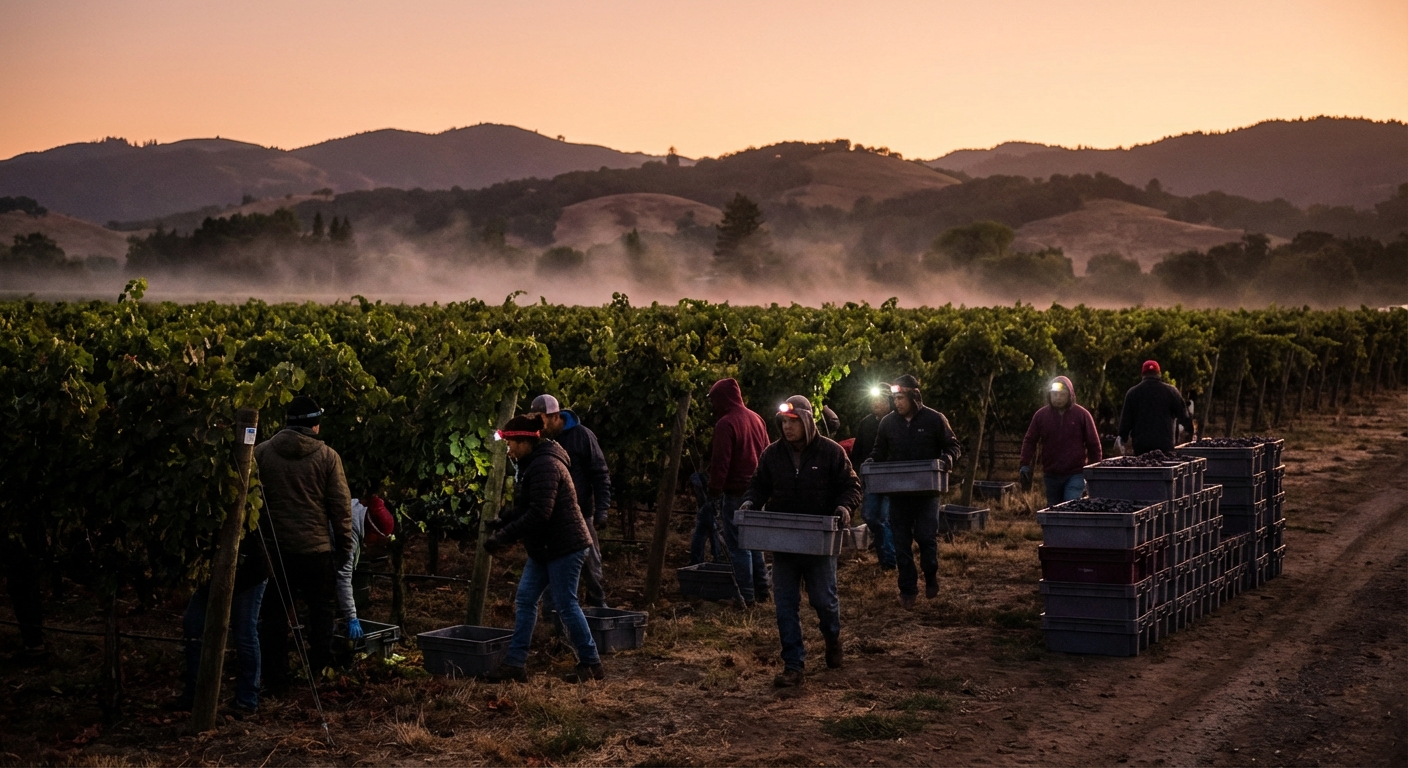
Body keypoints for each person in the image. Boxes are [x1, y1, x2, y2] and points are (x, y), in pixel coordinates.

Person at [740, 396, 862, 687]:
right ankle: (793, 665)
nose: (787, 427)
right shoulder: (772, 455)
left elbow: (851, 486)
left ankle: (832, 638)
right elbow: (758, 485)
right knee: (784, 604)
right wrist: (749, 502)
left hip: (819, 540)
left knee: (824, 601)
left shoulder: (831, 453)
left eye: (792, 422)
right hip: (784, 541)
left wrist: (844, 508)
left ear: (806, 421)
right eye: (783, 422)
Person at [484, 415, 603, 684]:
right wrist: (504, 520)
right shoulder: (531, 463)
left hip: (564, 545)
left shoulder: (546, 465)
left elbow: (540, 513)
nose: (509, 449)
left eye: (512, 443)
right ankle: (515, 664)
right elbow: (529, 505)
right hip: (545, 547)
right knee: (525, 599)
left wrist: (504, 536)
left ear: (526, 441)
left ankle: (591, 662)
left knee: (565, 604)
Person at [255, 395, 354, 696]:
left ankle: (276, 680)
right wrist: (344, 545)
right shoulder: (327, 457)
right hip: (315, 551)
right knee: (321, 614)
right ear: (314, 425)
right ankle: (319, 671)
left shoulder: (261, 453)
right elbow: (340, 506)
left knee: (274, 617)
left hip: (275, 551)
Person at [867, 375, 962, 609]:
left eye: (900, 398)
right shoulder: (888, 423)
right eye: (894, 398)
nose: (897, 403)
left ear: (913, 397)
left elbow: (953, 445)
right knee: (901, 542)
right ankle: (907, 589)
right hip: (898, 492)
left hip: (927, 492)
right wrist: (871, 461)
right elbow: (879, 451)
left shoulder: (934, 419)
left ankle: (930, 574)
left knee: (926, 536)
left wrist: (947, 458)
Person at [176, 524, 270, 714]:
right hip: (213, 572)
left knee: (244, 632)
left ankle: (247, 699)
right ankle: (195, 693)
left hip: (248, 573)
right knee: (192, 623)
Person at [529, 395, 612, 608]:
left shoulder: (582, 436)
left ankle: (597, 605)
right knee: (551, 564)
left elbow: (600, 474)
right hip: (551, 516)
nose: (538, 425)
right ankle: (553, 615)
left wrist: (602, 509)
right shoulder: (539, 439)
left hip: (581, 513)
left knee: (590, 563)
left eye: (541, 419)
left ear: (555, 416)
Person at [706, 378, 772, 606]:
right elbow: (768, 454)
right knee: (754, 543)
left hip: (735, 493)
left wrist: (714, 490)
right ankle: (763, 590)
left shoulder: (726, 424)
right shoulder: (756, 418)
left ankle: (746, 596)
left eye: (714, 400)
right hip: (757, 493)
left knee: (738, 546)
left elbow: (720, 463)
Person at [1019, 376, 1103, 508]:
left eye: (1062, 394)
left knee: (1070, 506)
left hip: (1076, 473)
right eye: (1054, 394)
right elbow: (1030, 440)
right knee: (1053, 510)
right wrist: (1025, 463)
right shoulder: (1040, 416)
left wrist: (1095, 471)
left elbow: (1093, 445)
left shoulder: (1082, 415)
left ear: (1070, 395)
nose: (1058, 398)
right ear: (1049, 395)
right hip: (1050, 474)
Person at [335, 494, 394, 637]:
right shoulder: (348, 532)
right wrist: (351, 617)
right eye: (378, 538)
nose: (375, 542)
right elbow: (343, 574)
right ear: (372, 529)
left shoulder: (354, 510)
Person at [852, 388, 896, 571]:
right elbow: (858, 452)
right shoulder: (866, 424)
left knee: (886, 518)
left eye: (880, 401)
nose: (875, 404)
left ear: (889, 402)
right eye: (873, 401)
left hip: (893, 479)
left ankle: (889, 562)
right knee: (869, 516)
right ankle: (885, 553)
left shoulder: (898, 423)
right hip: (871, 480)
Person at [1118, 361, 1195, 455]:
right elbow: (1185, 419)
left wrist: (1123, 439)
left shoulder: (1132, 393)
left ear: (1142, 374)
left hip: (1141, 448)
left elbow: (1124, 426)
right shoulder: (1171, 391)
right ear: (1159, 373)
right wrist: (1190, 437)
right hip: (1166, 447)